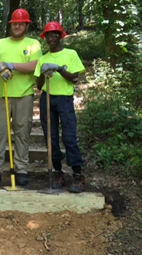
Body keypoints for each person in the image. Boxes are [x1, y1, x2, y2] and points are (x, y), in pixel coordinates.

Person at [0, 8, 42, 186]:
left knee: (22, 132)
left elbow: (34, 66)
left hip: (23, 94)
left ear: (26, 25)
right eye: (14, 23)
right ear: (10, 25)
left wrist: (11, 65)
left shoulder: (33, 44)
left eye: (21, 23)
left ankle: (21, 169)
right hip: (2, 95)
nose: (17, 26)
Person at [35, 21, 86, 193]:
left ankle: (77, 174)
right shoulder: (42, 58)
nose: (52, 37)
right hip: (47, 98)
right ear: (45, 38)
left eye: (55, 34)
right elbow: (38, 84)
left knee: (69, 137)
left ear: (61, 36)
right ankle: (57, 171)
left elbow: (74, 78)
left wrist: (57, 69)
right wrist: (43, 72)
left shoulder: (71, 54)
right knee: (51, 137)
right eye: (49, 35)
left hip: (64, 100)